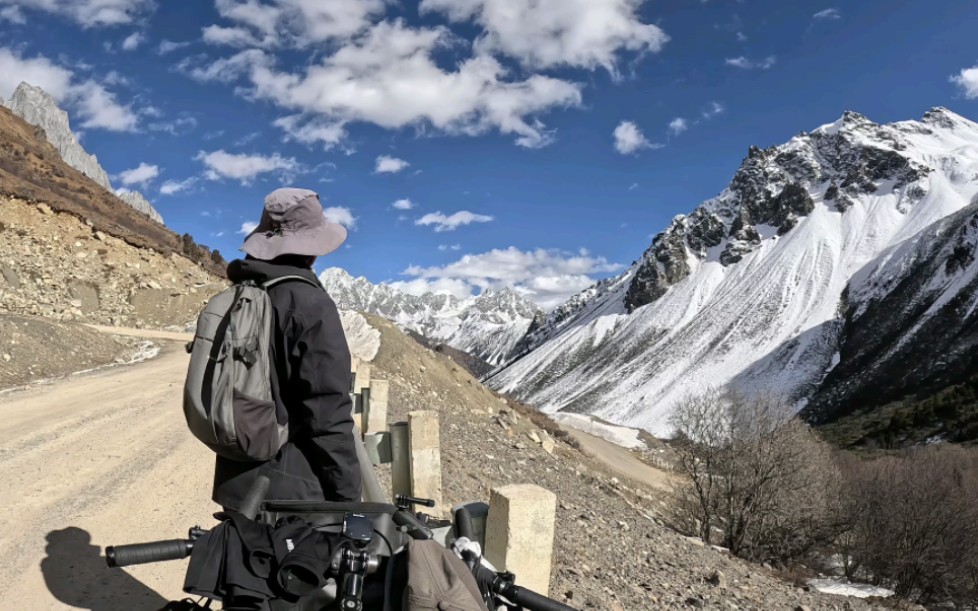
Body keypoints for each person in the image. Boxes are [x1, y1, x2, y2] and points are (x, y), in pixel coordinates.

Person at [213, 187, 361, 511]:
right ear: (311, 250)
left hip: (235, 479)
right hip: (292, 495)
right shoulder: (310, 305)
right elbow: (328, 415)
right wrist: (349, 499)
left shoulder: (240, 295)